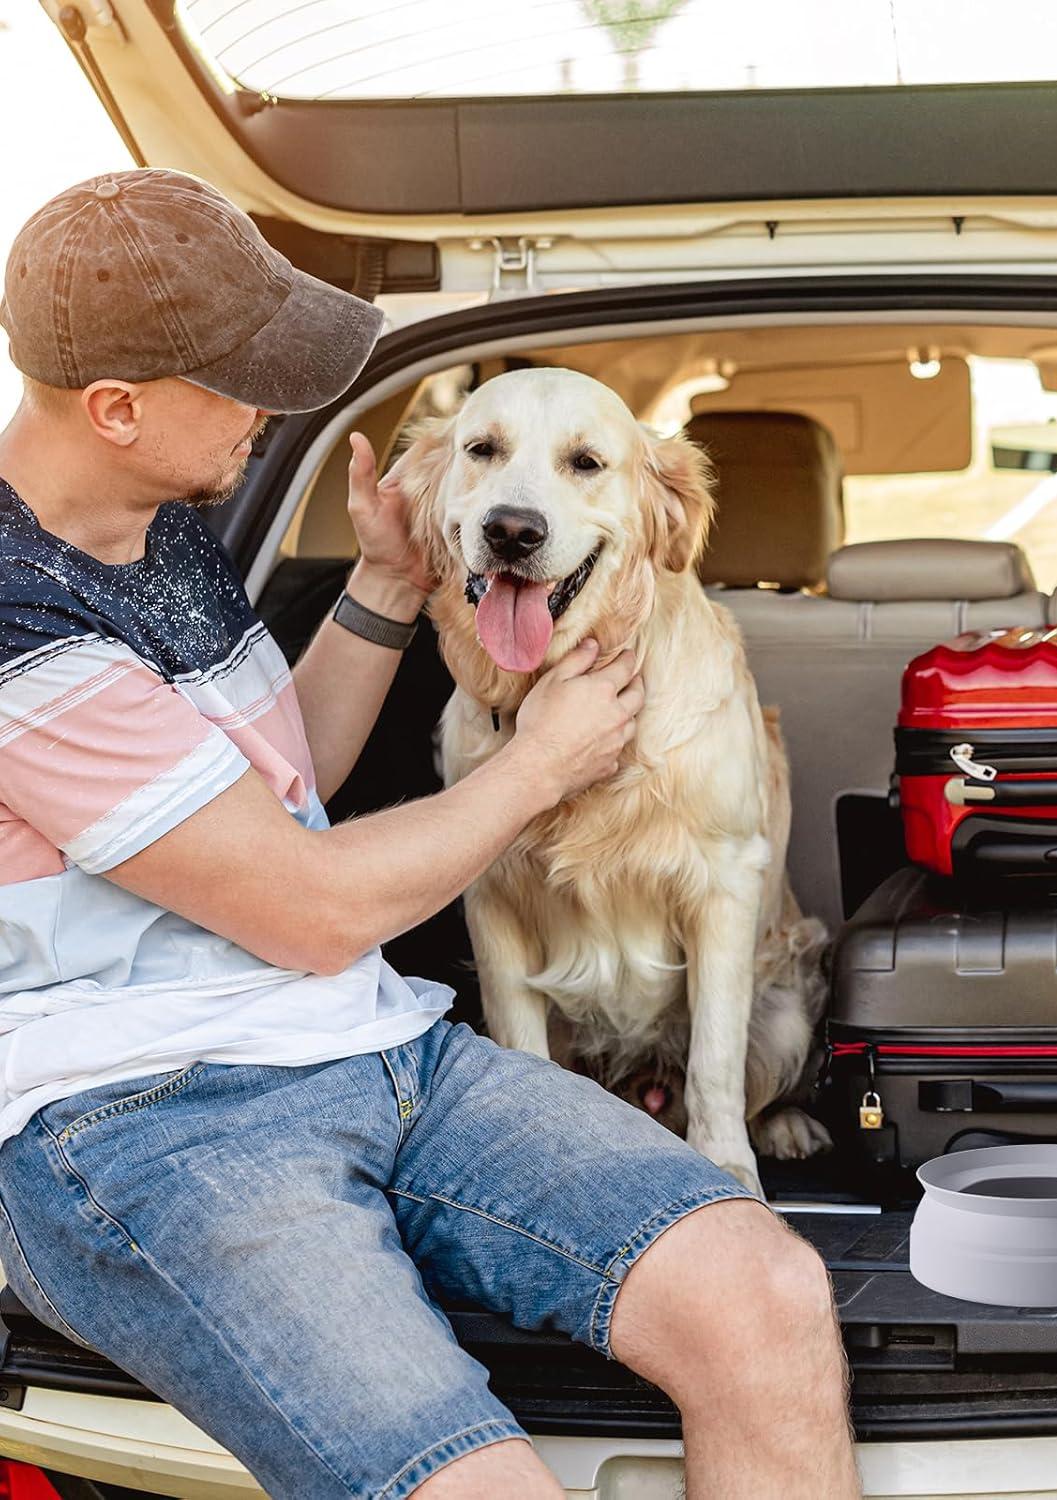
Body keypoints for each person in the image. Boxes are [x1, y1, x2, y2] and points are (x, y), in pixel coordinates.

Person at [0, 169, 860, 1500]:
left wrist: (389, 582)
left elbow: (283, 780)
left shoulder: (153, 529)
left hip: (369, 1046)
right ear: (116, 409)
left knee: (764, 1293)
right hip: (145, 1122)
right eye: (243, 383)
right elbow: (309, 904)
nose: (275, 410)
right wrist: (542, 764)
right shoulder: (17, 631)